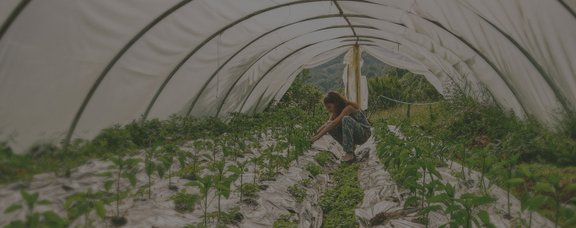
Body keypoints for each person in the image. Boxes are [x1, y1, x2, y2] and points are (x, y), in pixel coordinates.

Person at [309, 91, 371, 162]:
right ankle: (351, 149)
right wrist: (313, 135)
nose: (328, 110)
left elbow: (334, 123)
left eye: (329, 107)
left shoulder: (349, 108)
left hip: (363, 134)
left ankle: (349, 153)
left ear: (336, 103)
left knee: (346, 119)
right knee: (330, 127)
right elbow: (328, 124)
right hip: (355, 135)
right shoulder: (336, 112)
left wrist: (316, 138)